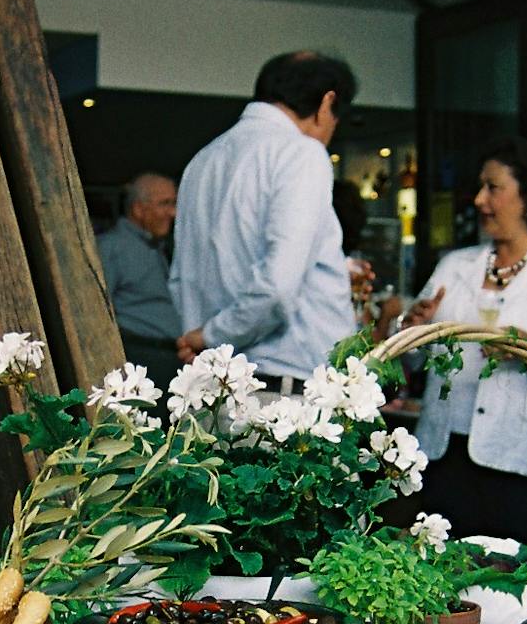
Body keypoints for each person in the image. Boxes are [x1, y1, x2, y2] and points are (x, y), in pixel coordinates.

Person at [398, 137, 527, 544]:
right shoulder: (454, 266)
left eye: (493, 188)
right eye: (481, 187)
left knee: (517, 585)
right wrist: (412, 330)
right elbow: (412, 363)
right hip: (444, 455)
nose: (479, 200)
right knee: (440, 584)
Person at [170, 50, 359, 391]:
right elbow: (278, 286)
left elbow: (184, 276)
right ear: (327, 101)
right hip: (283, 392)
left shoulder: (202, 160)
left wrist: (200, 337)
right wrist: (212, 335)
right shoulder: (301, 151)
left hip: (210, 386)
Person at [95, 172, 180, 393]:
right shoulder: (111, 247)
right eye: (165, 203)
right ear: (138, 209)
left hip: (169, 359)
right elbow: (97, 312)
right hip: (140, 358)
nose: (173, 212)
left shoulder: (155, 247)